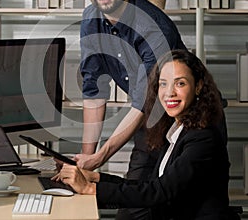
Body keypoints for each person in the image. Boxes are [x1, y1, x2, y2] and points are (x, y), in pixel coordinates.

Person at [57, 49, 231, 220]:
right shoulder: (178, 130)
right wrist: (96, 178)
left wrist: (90, 189)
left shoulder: (203, 137)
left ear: (198, 86)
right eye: (163, 83)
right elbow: (149, 186)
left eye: (180, 83)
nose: (169, 92)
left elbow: (159, 192)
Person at [73, 0, 187, 178]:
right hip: (151, 121)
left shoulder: (153, 28)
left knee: (186, 203)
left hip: (191, 121)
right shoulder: (90, 20)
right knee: (136, 203)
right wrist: (85, 160)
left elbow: (143, 101)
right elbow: (94, 92)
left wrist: (101, 156)